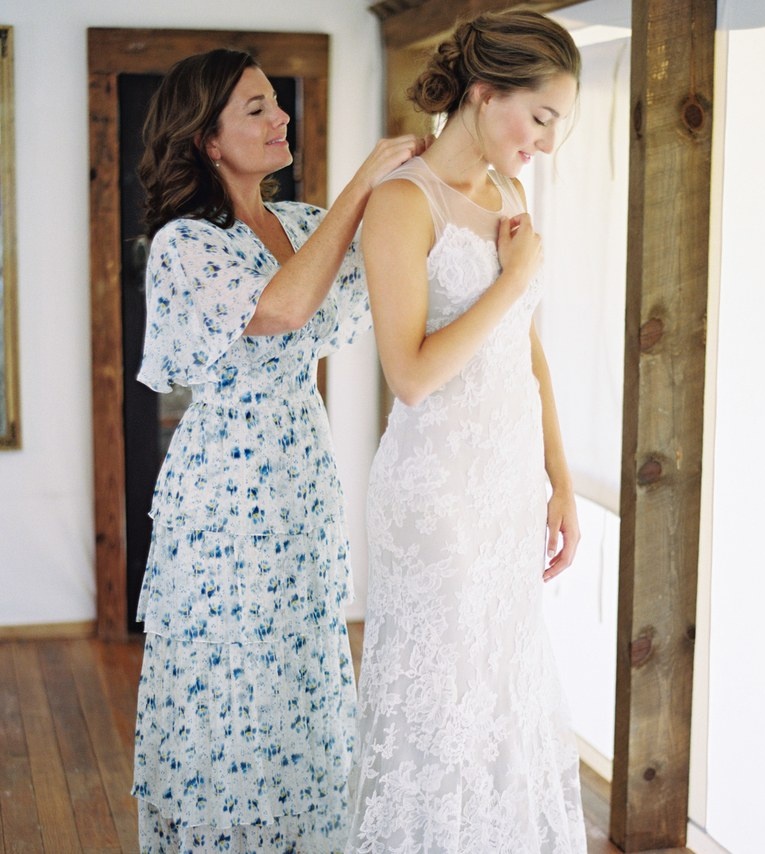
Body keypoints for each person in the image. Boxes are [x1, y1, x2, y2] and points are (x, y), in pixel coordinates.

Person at [130, 48, 425, 853]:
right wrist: (366, 177)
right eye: (254, 108)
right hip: (226, 488)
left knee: (302, 670)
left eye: (275, 102)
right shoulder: (184, 244)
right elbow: (286, 307)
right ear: (208, 141)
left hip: (302, 468)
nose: (278, 117)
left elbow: (397, 264)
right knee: (235, 680)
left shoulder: (299, 222)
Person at [347, 10, 588, 853]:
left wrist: (558, 479)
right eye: (543, 117)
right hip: (437, 495)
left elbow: (527, 351)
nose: (548, 144)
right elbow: (409, 375)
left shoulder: (509, 195)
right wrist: (513, 274)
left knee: (500, 693)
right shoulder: (401, 205)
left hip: (505, 484)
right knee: (441, 703)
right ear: (486, 95)